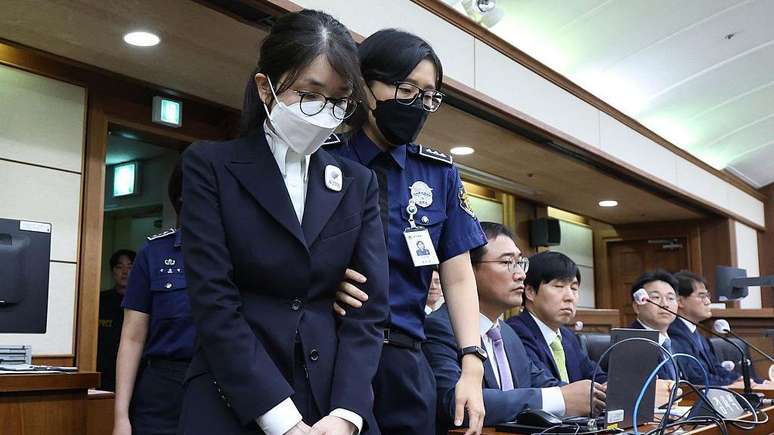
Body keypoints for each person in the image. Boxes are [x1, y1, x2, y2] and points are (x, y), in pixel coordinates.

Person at [179, 10, 388, 435]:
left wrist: (347, 414)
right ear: (265, 87)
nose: (324, 112)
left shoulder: (358, 182)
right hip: (234, 397)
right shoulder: (210, 166)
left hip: (329, 402)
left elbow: (369, 309)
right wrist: (283, 421)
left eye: (339, 100)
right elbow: (213, 300)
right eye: (310, 94)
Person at [328, 28, 487, 435]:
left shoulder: (438, 174)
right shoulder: (324, 160)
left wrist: (471, 363)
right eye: (406, 89)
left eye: (428, 95)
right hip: (332, 351)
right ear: (365, 86)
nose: (418, 104)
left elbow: (458, 275)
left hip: (405, 360)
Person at [424, 222, 606, 432]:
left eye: (520, 263)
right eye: (507, 262)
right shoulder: (439, 327)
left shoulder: (507, 333)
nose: (521, 274)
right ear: (467, 270)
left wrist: (597, 393)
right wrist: (560, 398)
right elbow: (456, 405)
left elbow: (540, 382)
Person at [113, 162, 194, 435]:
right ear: (181, 195)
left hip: (221, 384)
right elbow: (132, 338)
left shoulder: (240, 253)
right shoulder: (154, 252)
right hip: (163, 387)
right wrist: (121, 417)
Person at [507, 251, 607, 384]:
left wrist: (608, 385)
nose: (570, 297)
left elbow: (595, 375)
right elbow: (542, 385)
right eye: (559, 286)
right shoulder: (515, 332)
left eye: (574, 288)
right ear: (530, 292)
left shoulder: (567, 336)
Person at [668, 271, 742, 386]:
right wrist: (731, 385)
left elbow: (716, 368)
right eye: (702, 296)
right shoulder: (674, 333)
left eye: (708, 296)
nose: (708, 302)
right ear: (680, 301)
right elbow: (696, 377)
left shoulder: (696, 332)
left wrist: (741, 380)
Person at [628, 270, 679, 380]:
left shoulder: (676, 343)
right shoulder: (630, 343)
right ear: (637, 307)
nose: (665, 304)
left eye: (670, 298)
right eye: (656, 297)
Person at [97, 248, 135, 391]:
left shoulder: (146, 303)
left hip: (135, 373)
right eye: (119, 267)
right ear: (113, 271)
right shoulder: (100, 300)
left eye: (130, 267)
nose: (125, 272)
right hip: (103, 372)